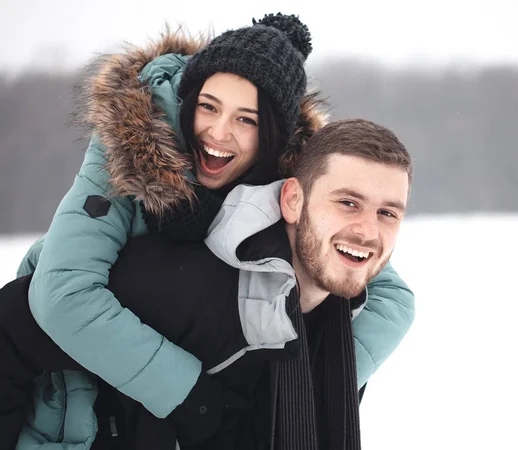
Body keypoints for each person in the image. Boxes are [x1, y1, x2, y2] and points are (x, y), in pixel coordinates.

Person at [3, 12, 414, 450]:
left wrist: (313, 390)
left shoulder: (289, 178)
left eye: (247, 120)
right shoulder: (130, 149)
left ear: (273, 135)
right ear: (190, 100)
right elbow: (62, 296)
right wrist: (193, 396)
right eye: (208, 106)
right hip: (73, 384)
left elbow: (386, 294)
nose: (218, 133)